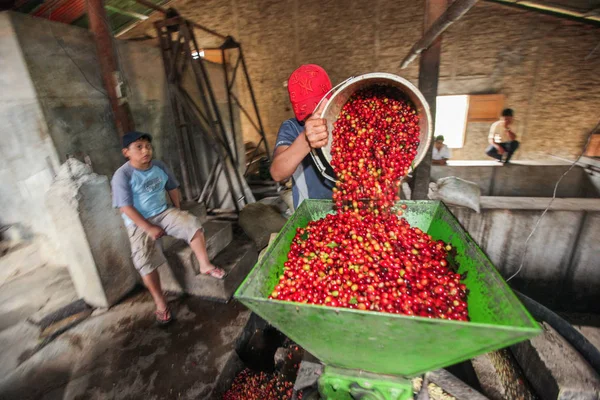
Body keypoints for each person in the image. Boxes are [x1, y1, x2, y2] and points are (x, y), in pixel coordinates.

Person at [111, 131, 226, 325]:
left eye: (148, 146)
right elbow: (125, 208)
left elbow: (172, 187)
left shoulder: (159, 166)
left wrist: (177, 210)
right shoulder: (122, 175)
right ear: (126, 152)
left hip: (163, 212)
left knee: (191, 223)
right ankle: (160, 301)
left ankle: (205, 265)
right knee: (143, 261)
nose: (145, 150)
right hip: (139, 221)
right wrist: (148, 227)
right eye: (139, 147)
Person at [270, 64, 334, 209]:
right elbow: (277, 173)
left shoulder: (345, 122)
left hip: (351, 210)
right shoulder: (292, 128)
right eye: (308, 116)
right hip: (311, 215)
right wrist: (305, 139)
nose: (316, 120)